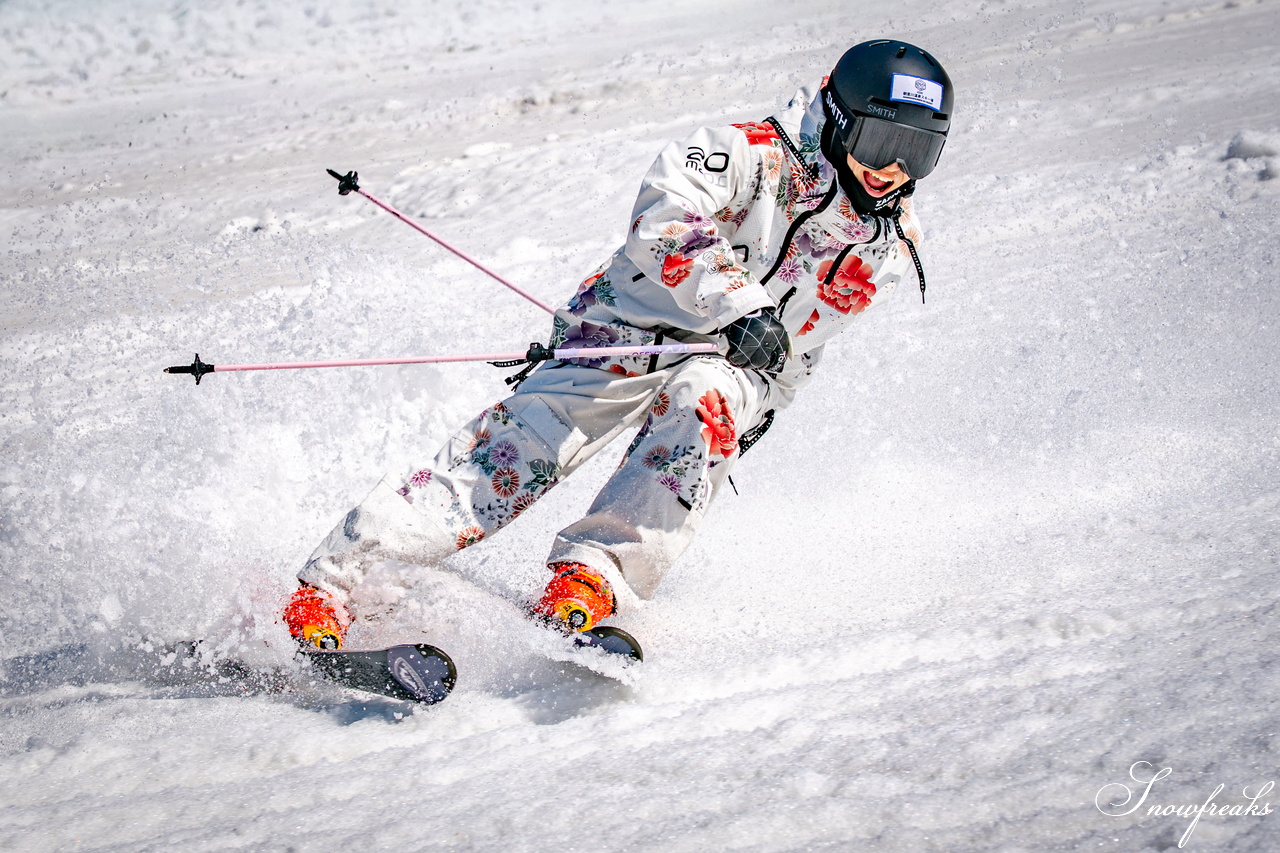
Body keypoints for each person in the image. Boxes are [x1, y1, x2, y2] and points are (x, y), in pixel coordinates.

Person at [282, 39, 956, 650]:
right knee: (519, 453)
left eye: (918, 152)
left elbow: (800, 351)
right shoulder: (752, 153)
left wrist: (758, 408)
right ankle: (337, 578)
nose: (892, 169)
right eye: (877, 142)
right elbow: (666, 210)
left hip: (728, 360)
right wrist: (738, 301)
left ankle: (593, 575)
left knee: (710, 407)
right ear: (838, 118)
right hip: (630, 324)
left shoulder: (888, 249)